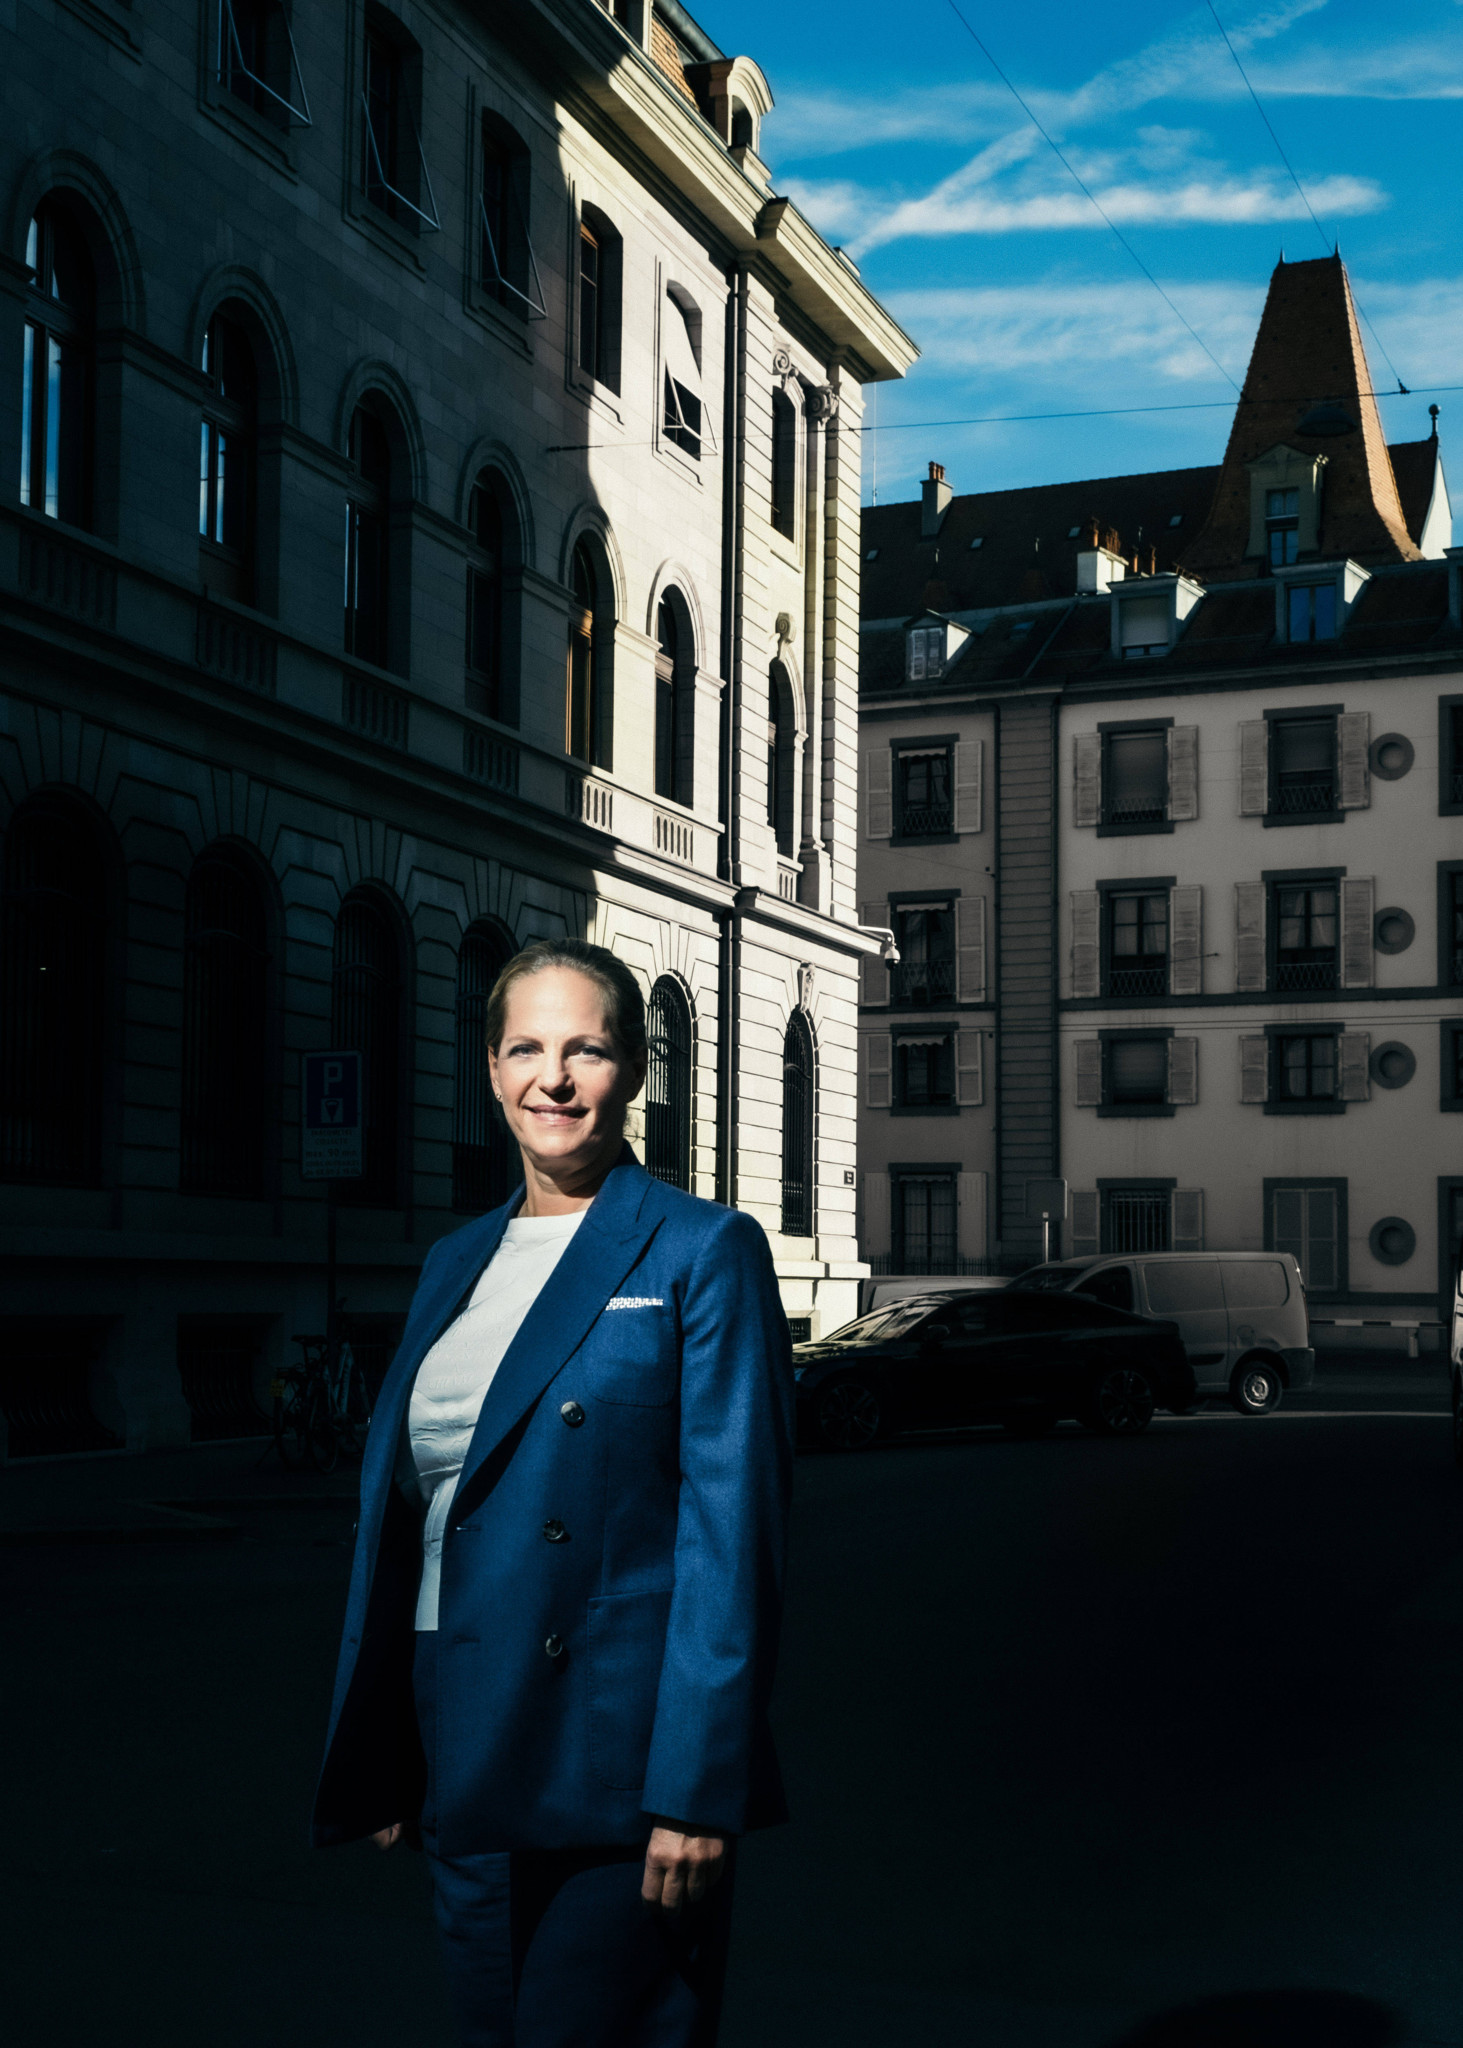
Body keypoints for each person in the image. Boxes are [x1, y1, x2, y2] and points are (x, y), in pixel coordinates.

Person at [312, 937, 794, 2048]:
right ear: (489, 1070)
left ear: (629, 1069)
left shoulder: (698, 1248)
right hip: (459, 1720)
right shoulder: (454, 1259)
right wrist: (388, 1733)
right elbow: (418, 1519)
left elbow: (733, 1533)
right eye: (525, 1047)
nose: (553, 1077)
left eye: (585, 1048)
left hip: (614, 1752)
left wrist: (696, 1784)